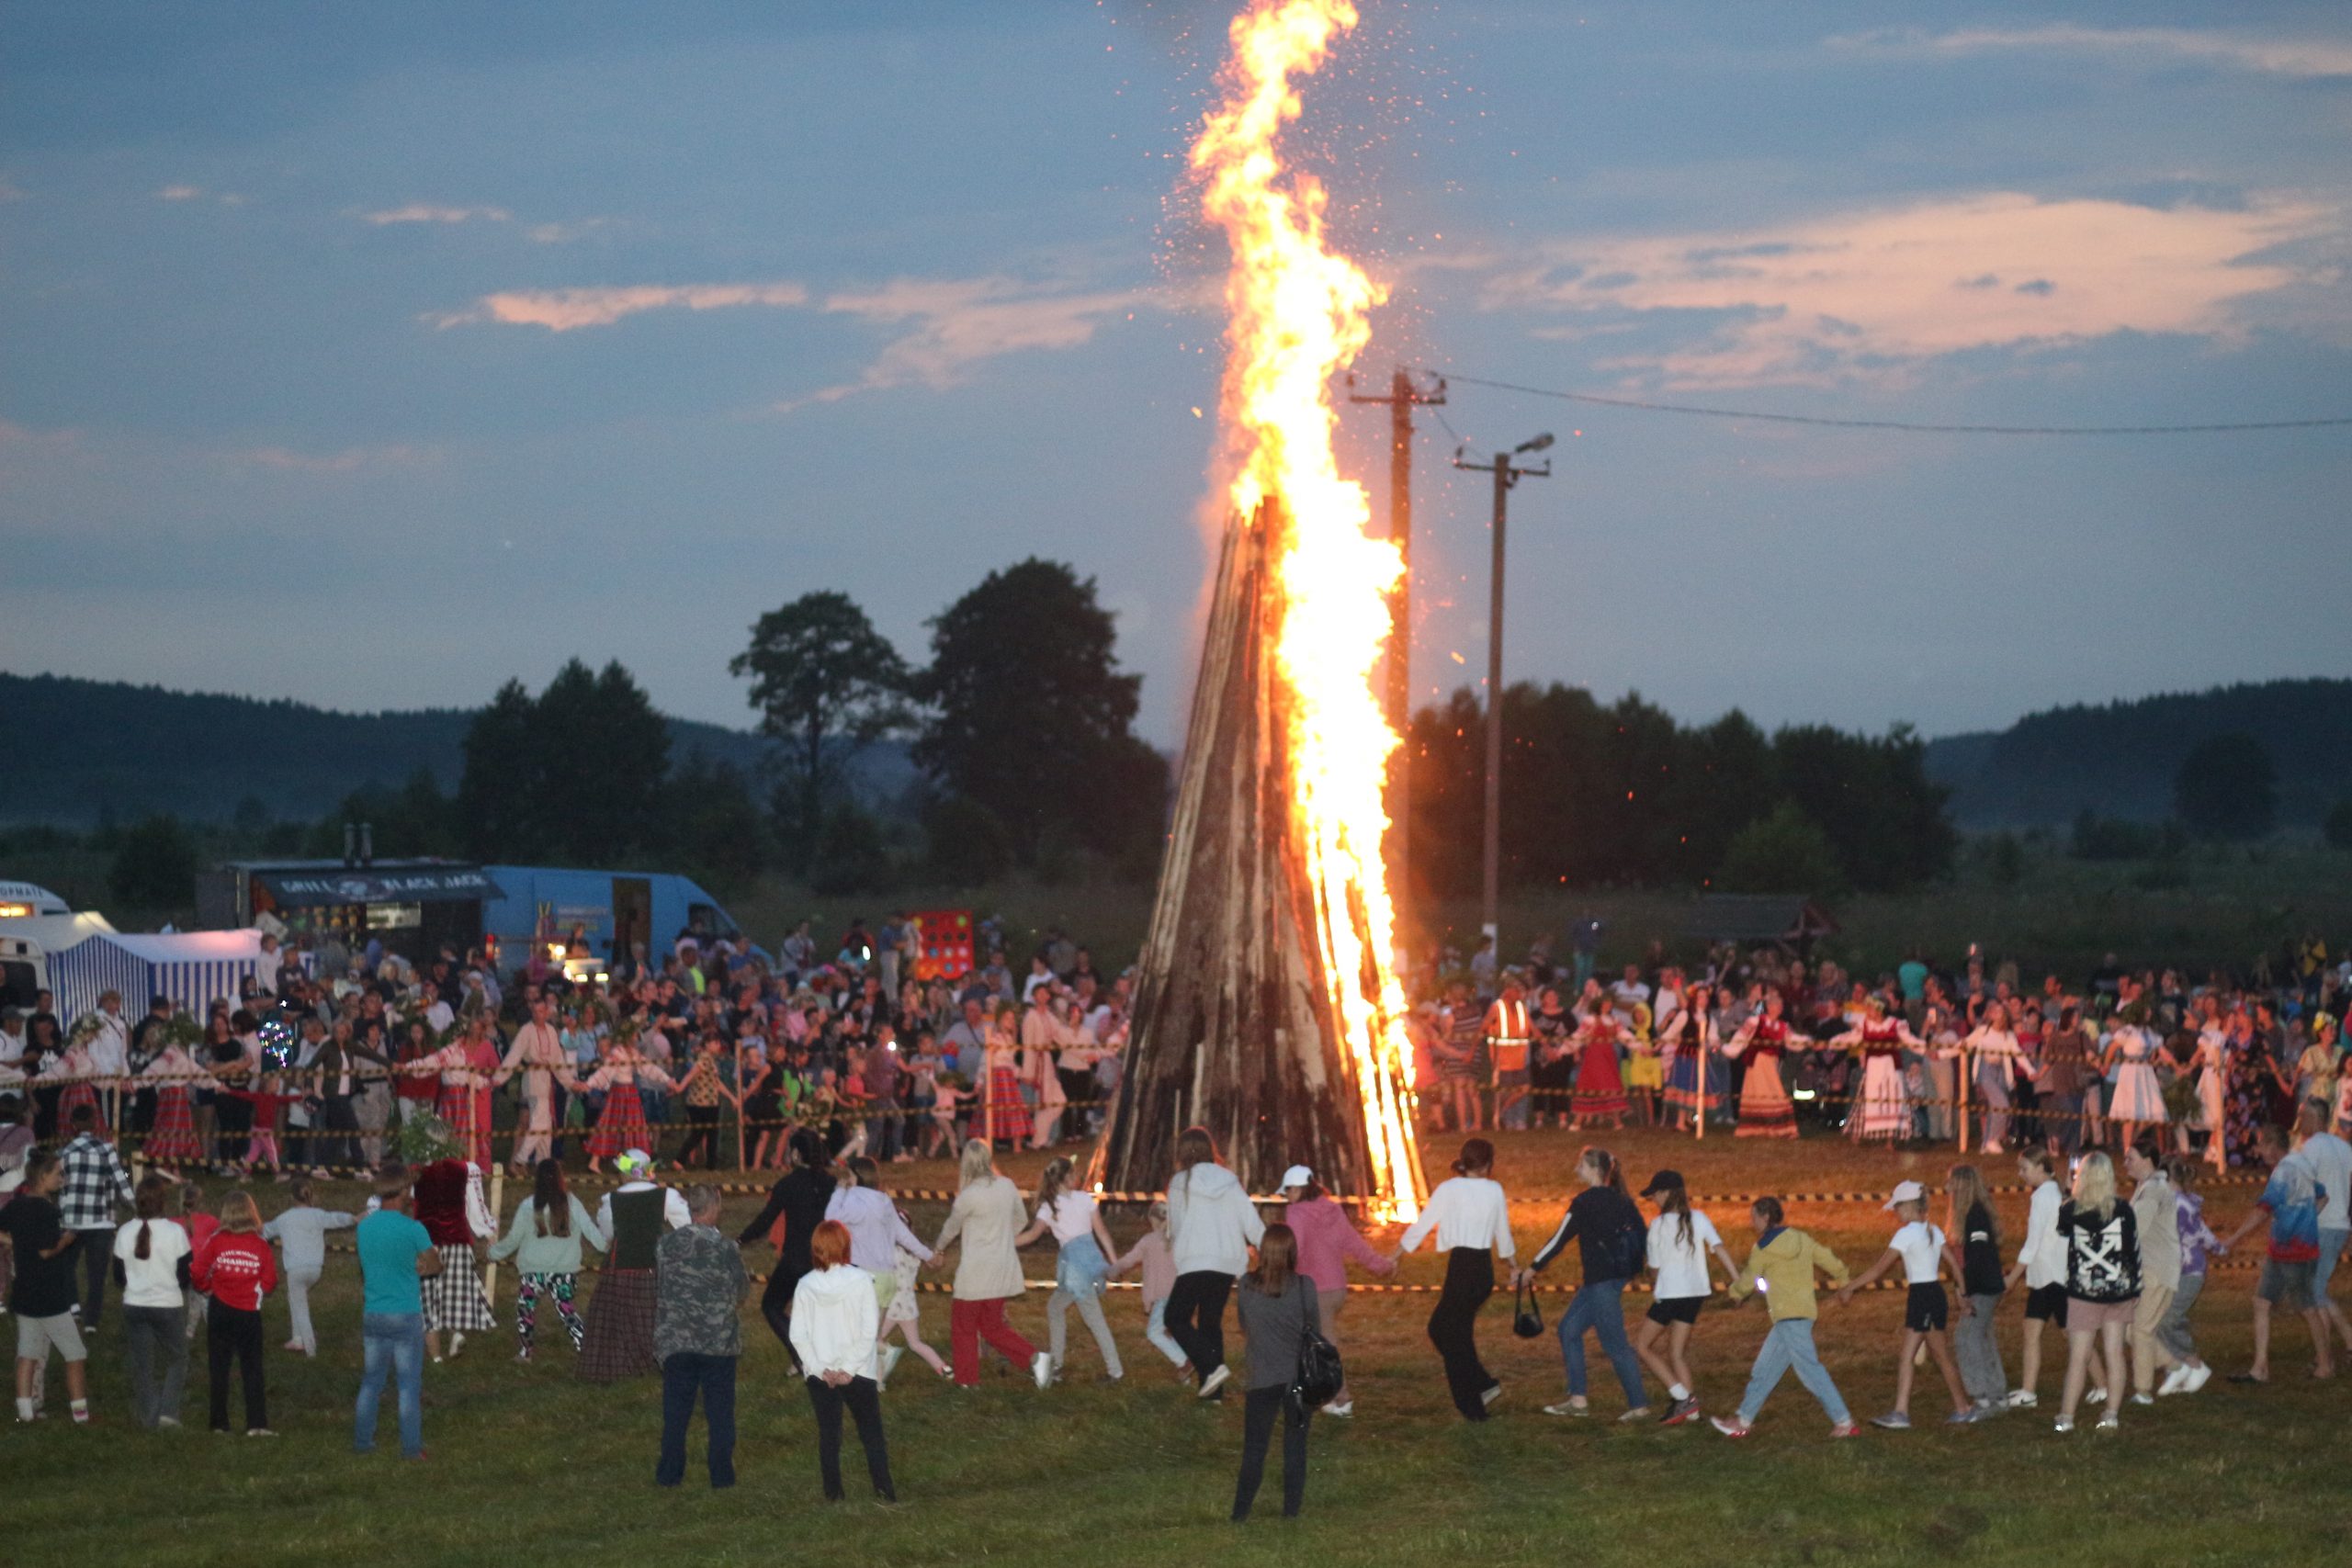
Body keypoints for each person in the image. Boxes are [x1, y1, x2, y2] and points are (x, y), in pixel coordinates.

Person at [1518, 1146, 1651, 1419]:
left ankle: (1639, 1406)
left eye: (1581, 1164)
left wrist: (1531, 1269)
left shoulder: (1585, 1202)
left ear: (1593, 1170)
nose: (1576, 1168)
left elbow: (1558, 1239)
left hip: (1601, 1282)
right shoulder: (1623, 1200)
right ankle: (1578, 1401)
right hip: (1610, 1279)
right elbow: (1643, 1236)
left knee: (1615, 1344)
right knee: (1568, 1330)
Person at [1711, 1197, 1858, 1438]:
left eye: (1754, 1217)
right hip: (1801, 1316)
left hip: (1788, 1318)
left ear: (1765, 1217)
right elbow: (1827, 1258)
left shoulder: (1762, 1249)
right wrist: (1843, 1280)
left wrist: (1735, 1293)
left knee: (1810, 1371)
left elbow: (1749, 1278)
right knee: (1764, 1370)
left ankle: (1844, 1421)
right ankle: (1742, 1420)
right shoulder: (1801, 1238)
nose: (1752, 1221)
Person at [1833, 1179, 1973, 1428]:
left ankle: (1947, 1409)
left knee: (1925, 1356)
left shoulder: (1905, 1235)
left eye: (1897, 1207)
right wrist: (1961, 1293)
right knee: (1923, 1356)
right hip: (1934, 1295)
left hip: (1922, 1298)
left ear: (1908, 1207)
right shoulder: (1934, 1230)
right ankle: (1918, 1411)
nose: (1895, 1213)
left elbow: (1878, 1270)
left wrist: (1849, 1287)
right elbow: (1953, 1264)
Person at [1394, 1137, 1515, 1421]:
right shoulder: (1494, 1189)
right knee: (1450, 1332)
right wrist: (1513, 1266)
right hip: (1482, 1270)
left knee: (1447, 1333)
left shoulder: (1448, 1189)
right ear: (1488, 1164)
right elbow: (1503, 1233)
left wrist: (1397, 1253)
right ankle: (1483, 1385)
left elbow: (1423, 1223)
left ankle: (1472, 1406)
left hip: (1462, 1268)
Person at [789, 1218, 898, 1503]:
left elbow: (798, 1335)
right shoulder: (861, 1281)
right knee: (871, 1432)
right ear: (846, 1246)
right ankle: (884, 1491)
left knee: (829, 1434)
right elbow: (867, 1330)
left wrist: (819, 1368)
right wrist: (849, 1368)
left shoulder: (805, 1285)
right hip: (859, 1371)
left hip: (820, 1373)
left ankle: (833, 1494)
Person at [2219, 1121, 2336, 1383]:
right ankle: (2260, 1368)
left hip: (2295, 1252)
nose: (2258, 1150)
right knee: (2261, 1302)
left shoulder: (2283, 1172)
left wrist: (2234, 1238)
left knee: (2307, 1307)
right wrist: (2305, 1219)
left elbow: (2263, 1210)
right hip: (2283, 1250)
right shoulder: (2301, 1163)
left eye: (2261, 1145)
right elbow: (2322, 1197)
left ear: (2272, 1145)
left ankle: (2326, 1365)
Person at [931, 1138, 1051, 1390]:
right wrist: (1003, 1238)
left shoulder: (968, 1196)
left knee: (963, 1326)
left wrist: (938, 1249)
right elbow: (1020, 1219)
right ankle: (1035, 1358)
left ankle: (967, 1380)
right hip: (1001, 1268)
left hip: (975, 1272)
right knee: (992, 1326)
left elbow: (950, 1228)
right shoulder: (1007, 1186)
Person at [1277, 1165, 1394, 1415]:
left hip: (1314, 1290)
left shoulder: (1296, 1213)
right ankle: (1313, 1391)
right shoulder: (1333, 1209)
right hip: (1336, 1288)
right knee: (1313, 1341)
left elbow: (1293, 1250)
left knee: (1324, 1346)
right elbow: (1354, 1242)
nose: (1286, 1196)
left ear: (1297, 1189)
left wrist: (1277, 1276)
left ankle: (1341, 1399)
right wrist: (1381, 1265)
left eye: (1287, 1191)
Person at [653, 1183, 748, 1489]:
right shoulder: (726, 1248)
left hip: (677, 1341)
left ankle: (669, 1475)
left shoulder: (666, 1245)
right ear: (714, 1206)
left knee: (676, 1413)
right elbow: (742, 1289)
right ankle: (722, 1477)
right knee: (720, 1414)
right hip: (717, 1342)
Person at [1163, 1125, 1266, 1399]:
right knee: (1210, 1323)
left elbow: (1175, 1226)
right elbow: (1250, 1220)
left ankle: (1211, 1367)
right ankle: (1213, 1395)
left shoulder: (1179, 1183)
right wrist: (1269, 1246)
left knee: (1174, 1317)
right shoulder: (1229, 1180)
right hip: (1227, 1262)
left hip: (1195, 1259)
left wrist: (1176, 1248)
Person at [1631, 1169, 1739, 1426]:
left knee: (1642, 1346)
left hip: (1670, 1295)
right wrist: (1737, 1278)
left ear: (1667, 1194)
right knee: (1676, 1353)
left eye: (1655, 1194)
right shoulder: (1699, 1218)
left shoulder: (1657, 1226)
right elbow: (1718, 1248)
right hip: (1696, 1294)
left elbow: (1655, 1268)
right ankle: (1691, 1414)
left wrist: (1652, 1274)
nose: (1653, 1200)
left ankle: (1682, 1398)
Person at [1231, 1223, 1318, 1523]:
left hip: (1260, 1378)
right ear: (1292, 1252)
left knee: (1254, 1449)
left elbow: (1244, 1324)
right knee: (1295, 1445)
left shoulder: (1245, 1285)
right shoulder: (1305, 1287)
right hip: (1297, 1381)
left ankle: (1240, 1513)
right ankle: (1290, 1512)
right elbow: (1314, 1331)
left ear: (1262, 1251)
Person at [582, 1148, 691, 1384]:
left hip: (621, 1268)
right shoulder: (666, 1196)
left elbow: (607, 1235)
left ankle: (625, 1360)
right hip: (654, 1267)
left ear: (624, 1173)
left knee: (619, 1321)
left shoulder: (611, 1201)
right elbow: (686, 1227)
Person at [354, 1163, 440, 1460]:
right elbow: (435, 1264)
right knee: (408, 1385)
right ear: (404, 1191)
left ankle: (363, 1442)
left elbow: (366, 1269)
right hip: (405, 1312)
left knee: (371, 1381)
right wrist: (419, 1266)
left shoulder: (364, 1227)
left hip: (374, 1311)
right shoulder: (414, 1228)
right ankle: (411, 1448)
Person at [2052, 1151, 2141, 1433]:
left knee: (2078, 1356)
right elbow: (2131, 1251)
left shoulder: (2070, 1209)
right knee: (2114, 1353)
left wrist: (2069, 1188)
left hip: (2084, 1293)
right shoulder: (2124, 1210)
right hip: (2118, 1291)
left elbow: (2063, 1230)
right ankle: (2110, 1415)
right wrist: (2135, 1287)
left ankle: (2066, 1418)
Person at [1015, 1155, 1124, 1383]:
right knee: (1056, 1307)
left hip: (1075, 1269)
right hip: (1087, 1262)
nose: (1077, 1177)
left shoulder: (1049, 1206)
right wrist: (1114, 1262)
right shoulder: (1084, 1199)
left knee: (1093, 1318)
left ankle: (1114, 1371)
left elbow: (1032, 1235)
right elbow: (1102, 1233)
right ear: (1067, 1178)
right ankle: (1056, 1364)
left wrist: (1004, 1242)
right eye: (1074, 1174)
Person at [5, 1151, 93, 1423]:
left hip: (23, 1293)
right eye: (59, 1173)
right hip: (50, 1296)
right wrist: (65, 1241)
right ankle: (80, 1415)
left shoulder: (16, 1205)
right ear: (43, 1177)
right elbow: (46, 1251)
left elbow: (8, 1234)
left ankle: (25, 1414)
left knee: (27, 1353)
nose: (62, 1179)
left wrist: (15, 1243)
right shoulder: (47, 1211)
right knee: (75, 1354)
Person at [489, 1158, 606, 1362]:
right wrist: (606, 1247)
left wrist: (493, 1253)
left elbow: (514, 1239)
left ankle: (526, 1352)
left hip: (533, 1271)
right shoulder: (572, 1203)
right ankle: (585, 1349)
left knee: (525, 1310)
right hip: (564, 1270)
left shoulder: (528, 1206)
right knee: (566, 1309)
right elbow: (590, 1229)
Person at [737, 1128, 835, 1359]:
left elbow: (765, 1220)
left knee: (771, 1305)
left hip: (796, 1259)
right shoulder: (832, 1182)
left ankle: (801, 1355)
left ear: (796, 1154)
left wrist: (740, 1239)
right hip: (826, 1259)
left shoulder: (788, 1184)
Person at [193, 1189, 277, 1437]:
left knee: (219, 1367)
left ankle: (218, 1423)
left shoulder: (216, 1241)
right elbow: (270, 1280)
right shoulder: (260, 1245)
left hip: (220, 1309)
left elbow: (198, 1270)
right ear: (253, 1213)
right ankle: (257, 1424)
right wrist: (257, 1289)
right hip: (249, 1312)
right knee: (252, 1367)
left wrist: (207, 1288)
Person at [112, 1172, 193, 1429]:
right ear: (163, 1201)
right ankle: (168, 1412)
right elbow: (184, 1274)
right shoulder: (175, 1232)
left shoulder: (124, 1232)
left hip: (134, 1305)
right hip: (167, 1305)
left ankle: (149, 1417)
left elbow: (118, 1275)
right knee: (178, 1358)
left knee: (143, 1364)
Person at [56, 1103, 135, 1335]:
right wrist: (139, 1207)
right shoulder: (107, 1150)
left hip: (71, 1221)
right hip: (101, 1221)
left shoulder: (64, 1153)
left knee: (67, 1267)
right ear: (95, 1123)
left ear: (73, 1125)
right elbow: (121, 1181)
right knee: (96, 1274)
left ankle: (73, 1307)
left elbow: (58, 1184)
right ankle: (91, 1322)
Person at [2001, 1146, 2068, 1409]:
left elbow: (2032, 1243)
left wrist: (2012, 1278)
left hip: (2051, 1278)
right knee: (2032, 1332)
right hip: (2048, 1276)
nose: (2021, 1175)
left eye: (2024, 1169)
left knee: (2073, 1336)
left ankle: (2102, 1385)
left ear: (2041, 1168)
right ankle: (2028, 1392)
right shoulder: (2053, 1192)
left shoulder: (2043, 1196)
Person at [413, 1156, 497, 1363]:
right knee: (452, 1291)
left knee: (428, 1295)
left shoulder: (416, 1169)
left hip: (426, 1240)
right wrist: (487, 1230)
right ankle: (454, 1334)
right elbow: (473, 1202)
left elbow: (411, 1201)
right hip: (455, 1238)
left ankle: (436, 1358)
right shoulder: (465, 1168)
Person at [1941, 1164, 2008, 1419]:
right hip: (1983, 1285)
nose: (1947, 1188)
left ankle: (1982, 1398)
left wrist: (1965, 1291)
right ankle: (1997, 1395)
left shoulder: (1975, 1215)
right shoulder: (1971, 1214)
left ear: (1962, 1186)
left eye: (1951, 1183)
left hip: (1983, 1287)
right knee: (1982, 1337)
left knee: (1966, 1338)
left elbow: (1977, 1257)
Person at [261, 1177, 355, 1357]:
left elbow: (265, 1230)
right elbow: (336, 1218)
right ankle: (297, 1339)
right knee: (295, 1298)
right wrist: (353, 1218)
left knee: (300, 1305)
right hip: (315, 1269)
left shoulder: (284, 1218)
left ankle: (309, 1348)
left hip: (296, 1269)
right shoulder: (318, 1214)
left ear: (291, 1197)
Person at [2123, 1134, 2184, 1404]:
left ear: (2147, 1160)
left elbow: (2134, 1230)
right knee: (2129, 1330)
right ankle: (2174, 1366)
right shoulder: (2148, 1187)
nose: (2125, 1163)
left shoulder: (2153, 1191)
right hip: (2153, 1268)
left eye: (2130, 1158)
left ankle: (2143, 1391)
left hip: (2156, 1270)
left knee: (2141, 1330)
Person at [2290, 1101, 2352, 1357]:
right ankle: (2336, 1346)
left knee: (2314, 1290)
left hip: (2321, 1224)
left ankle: (2328, 1351)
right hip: (2339, 1225)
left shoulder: (2311, 1148)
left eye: (2303, 1116)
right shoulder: (2344, 1147)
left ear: (2316, 1119)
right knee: (2318, 1288)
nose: (2301, 1121)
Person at [2154, 1155, 2219, 1396]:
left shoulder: (2178, 1203)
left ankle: (2193, 1364)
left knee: (2167, 1318)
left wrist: (2221, 1247)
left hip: (2189, 1272)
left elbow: (2198, 1233)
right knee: (2165, 1317)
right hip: (2178, 1271)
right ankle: (2180, 1366)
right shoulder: (2177, 1201)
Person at [1111, 1198, 1188, 1376]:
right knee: (1171, 1332)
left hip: (1164, 1297)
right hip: (1182, 1294)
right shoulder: (1180, 1240)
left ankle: (1184, 1362)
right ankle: (1187, 1367)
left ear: (1152, 1220)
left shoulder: (1149, 1241)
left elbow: (1129, 1259)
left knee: (1154, 1332)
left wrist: (1112, 1269)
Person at [1724, 992, 1800, 1138]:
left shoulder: (1783, 1026)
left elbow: (1793, 1041)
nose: (1776, 1009)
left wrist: (1808, 1042)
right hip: (1757, 1062)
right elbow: (1741, 1037)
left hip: (1771, 1063)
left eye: (1779, 1006)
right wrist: (1729, 1049)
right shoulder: (1755, 1021)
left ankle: (1782, 1128)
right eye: (1773, 1005)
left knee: (1775, 1093)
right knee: (1758, 1093)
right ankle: (1753, 1128)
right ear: (1768, 1007)